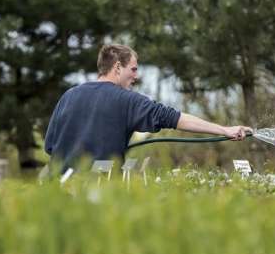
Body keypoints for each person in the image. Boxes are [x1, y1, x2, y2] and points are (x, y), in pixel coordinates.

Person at [44, 44, 252, 170]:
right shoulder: (127, 100)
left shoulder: (68, 96)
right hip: (100, 195)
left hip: (59, 194)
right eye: (133, 69)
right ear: (117, 67)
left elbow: (50, 147)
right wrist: (225, 129)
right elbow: (175, 118)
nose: (136, 76)